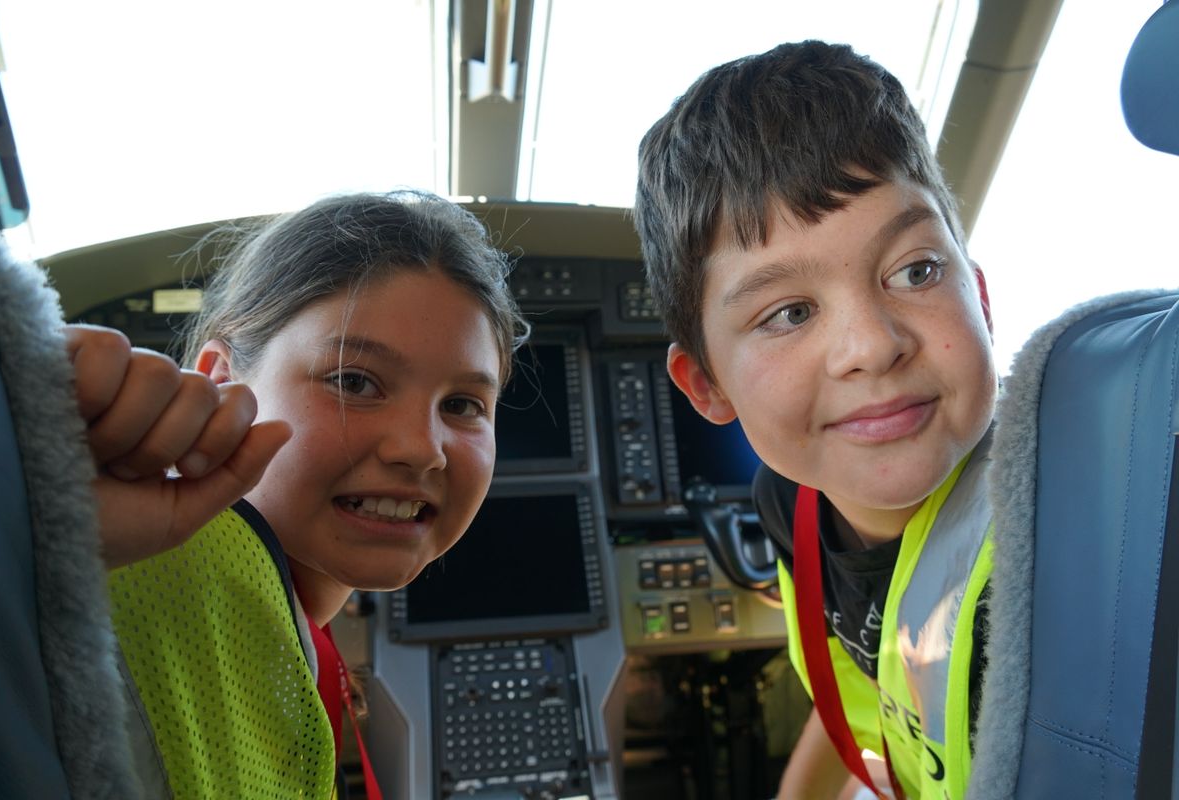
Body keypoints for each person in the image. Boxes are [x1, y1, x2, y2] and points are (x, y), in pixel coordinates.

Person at [71, 191, 529, 798]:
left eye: (462, 405)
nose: (422, 449)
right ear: (221, 381)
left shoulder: (282, 626)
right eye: (354, 381)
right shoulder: (146, 575)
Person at [634, 41, 998, 800]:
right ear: (706, 386)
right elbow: (871, 691)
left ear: (982, 298)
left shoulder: (1057, 533)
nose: (871, 346)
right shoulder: (791, 504)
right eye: (790, 313)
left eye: (916, 271)